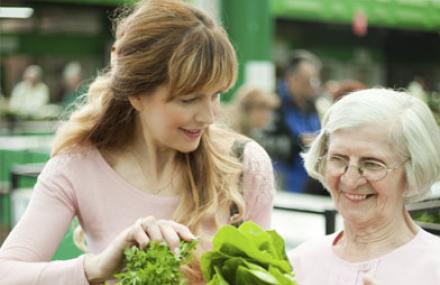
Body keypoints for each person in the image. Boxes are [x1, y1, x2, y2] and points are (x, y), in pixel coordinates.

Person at [0, 1, 275, 284]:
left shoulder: (245, 166)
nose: (208, 116)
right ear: (137, 95)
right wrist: (98, 267)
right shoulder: (77, 167)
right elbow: (7, 274)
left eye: (216, 94)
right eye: (188, 99)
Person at [288, 88, 440, 285]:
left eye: (372, 163)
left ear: (414, 169)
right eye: (338, 159)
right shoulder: (299, 264)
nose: (350, 180)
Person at [262, 50, 322, 193]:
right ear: (291, 78)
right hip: (281, 187)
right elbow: (261, 143)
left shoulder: (312, 106)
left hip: (309, 186)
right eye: (307, 80)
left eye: (315, 80)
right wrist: (297, 143)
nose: (312, 85)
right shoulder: (273, 105)